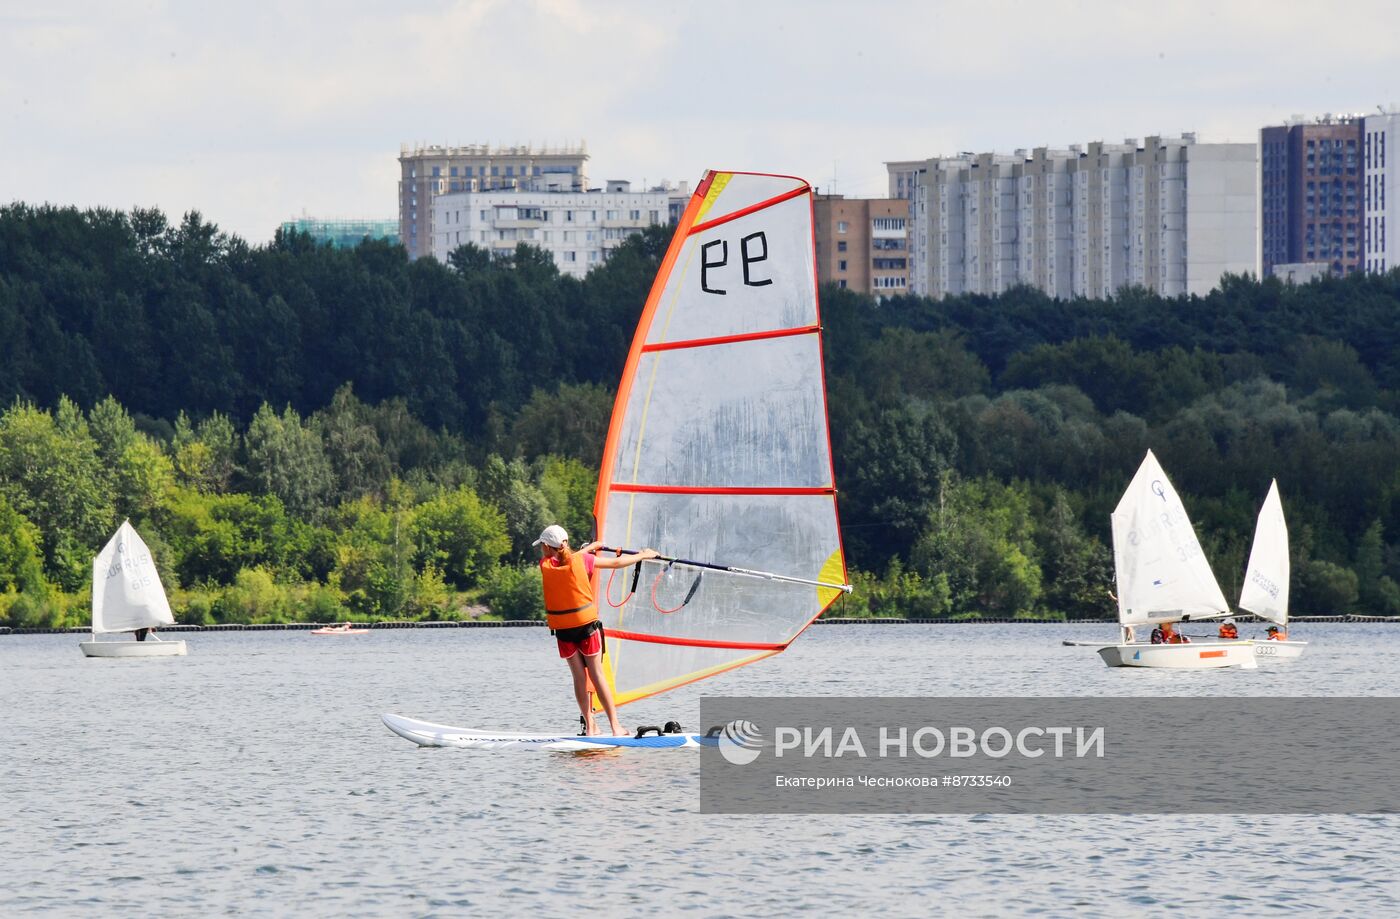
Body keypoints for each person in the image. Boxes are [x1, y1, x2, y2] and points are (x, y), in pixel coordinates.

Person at [534, 525, 658, 737]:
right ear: (565, 543)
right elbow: (617, 562)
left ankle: (590, 726)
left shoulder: (545, 564)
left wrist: (591, 547)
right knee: (597, 675)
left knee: (579, 678)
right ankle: (615, 726)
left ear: (546, 546)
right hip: (586, 627)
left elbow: (568, 558)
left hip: (564, 631)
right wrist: (643, 555)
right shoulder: (584, 560)